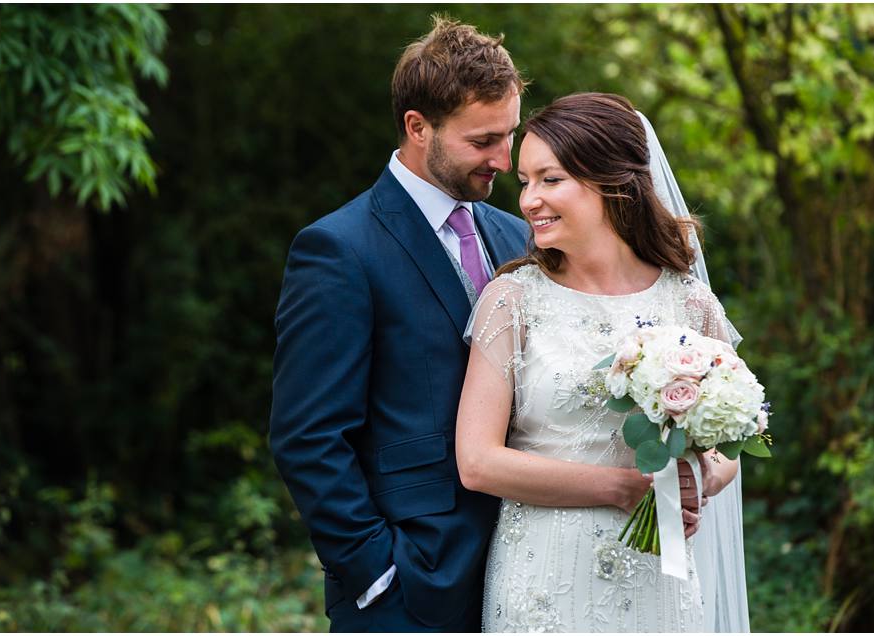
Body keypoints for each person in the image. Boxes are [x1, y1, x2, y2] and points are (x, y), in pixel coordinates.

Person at [269, 17, 529, 632]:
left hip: (525, 569)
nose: (505, 159)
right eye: (484, 140)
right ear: (418, 127)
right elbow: (306, 435)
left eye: (511, 134)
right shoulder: (337, 250)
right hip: (408, 587)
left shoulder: (515, 236)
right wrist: (375, 573)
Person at [455, 92, 748, 632]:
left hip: (661, 576)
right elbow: (477, 462)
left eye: (551, 179)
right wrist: (618, 487)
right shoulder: (513, 300)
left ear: (611, 182)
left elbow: (730, 442)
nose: (529, 201)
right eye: (525, 182)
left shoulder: (689, 303)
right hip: (543, 580)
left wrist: (700, 476)